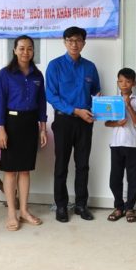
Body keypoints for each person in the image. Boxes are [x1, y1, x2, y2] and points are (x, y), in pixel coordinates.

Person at [46, 26, 101, 223]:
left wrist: (99, 102)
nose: (74, 44)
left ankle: (81, 205)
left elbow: (96, 91)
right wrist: (75, 110)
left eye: (78, 40)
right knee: (61, 164)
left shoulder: (90, 67)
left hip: (85, 122)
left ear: (84, 43)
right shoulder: (55, 66)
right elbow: (51, 95)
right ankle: (61, 205)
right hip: (63, 120)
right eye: (70, 40)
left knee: (83, 165)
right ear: (64, 42)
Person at [0, 35, 47, 231]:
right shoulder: (5, 74)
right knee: (10, 170)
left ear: (33, 51)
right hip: (11, 123)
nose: (26, 52)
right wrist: (1, 129)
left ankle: (24, 210)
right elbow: (0, 102)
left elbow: (42, 103)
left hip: (30, 124)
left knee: (25, 170)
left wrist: (42, 128)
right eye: (22, 48)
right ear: (14, 50)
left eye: (29, 48)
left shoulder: (37, 75)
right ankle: (11, 213)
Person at [104, 68, 136, 223]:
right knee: (115, 178)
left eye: (127, 81)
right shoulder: (113, 100)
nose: (124, 84)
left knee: (133, 178)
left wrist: (129, 106)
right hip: (116, 144)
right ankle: (119, 207)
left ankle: (130, 208)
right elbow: (107, 123)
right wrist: (117, 123)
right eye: (120, 81)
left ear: (133, 83)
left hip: (132, 145)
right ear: (117, 82)